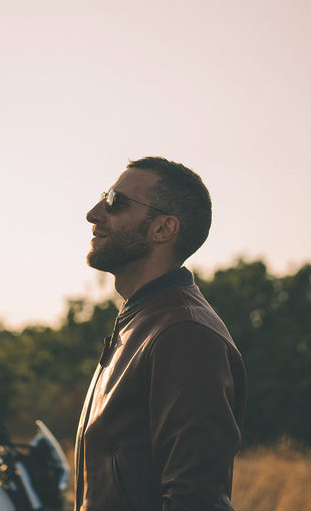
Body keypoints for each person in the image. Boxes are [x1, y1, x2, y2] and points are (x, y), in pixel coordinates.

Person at [74, 156, 247, 511]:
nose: (93, 213)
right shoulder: (141, 322)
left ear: (163, 229)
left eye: (114, 203)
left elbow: (195, 501)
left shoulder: (185, 335)